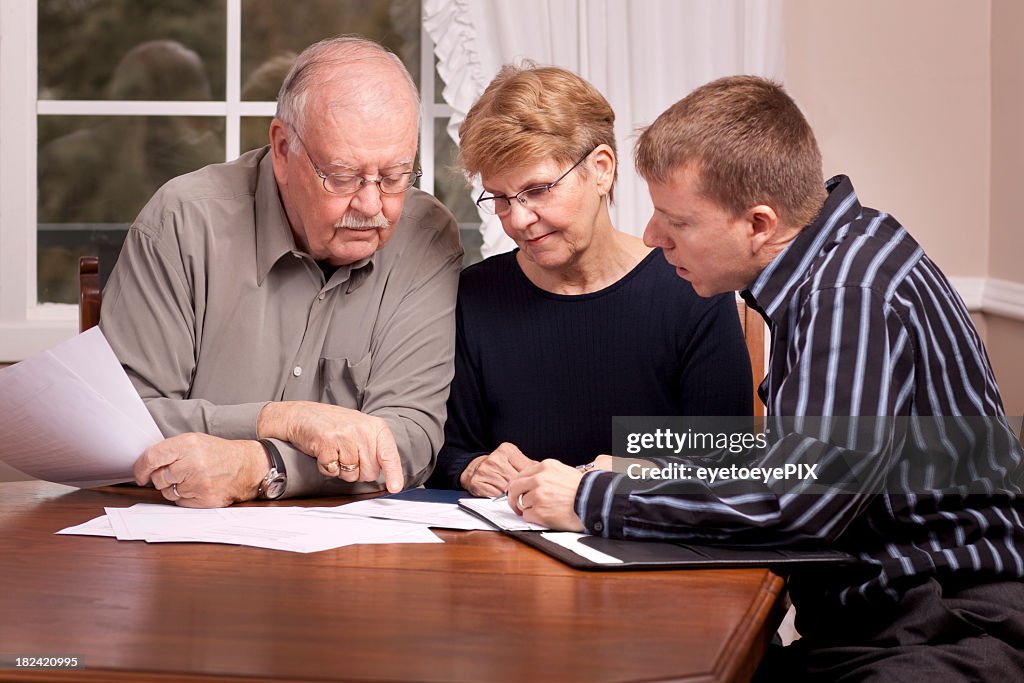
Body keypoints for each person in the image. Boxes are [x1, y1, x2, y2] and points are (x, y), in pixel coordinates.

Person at [507, 75, 1024, 680]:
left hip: (945, 629)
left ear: (757, 223)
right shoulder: (847, 249)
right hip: (893, 622)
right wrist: (648, 467)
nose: (653, 236)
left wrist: (591, 499)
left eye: (677, 219)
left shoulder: (847, 296)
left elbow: (801, 499)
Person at [100, 36, 463, 508]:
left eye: (395, 176)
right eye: (342, 175)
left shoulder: (426, 236)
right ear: (283, 148)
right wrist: (282, 420)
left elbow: (409, 441)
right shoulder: (184, 221)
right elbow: (121, 421)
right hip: (178, 543)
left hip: (349, 560)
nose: (372, 205)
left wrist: (261, 465)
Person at [425, 65, 752, 496]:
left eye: (538, 190)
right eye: (501, 199)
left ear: (601, 169)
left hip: (651, 555)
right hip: (503, 554)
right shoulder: (477, 296)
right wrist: (471, 467)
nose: (518, 220)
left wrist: (597, 484)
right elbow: (446, 451)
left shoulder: (692, 291)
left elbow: (727, 466)